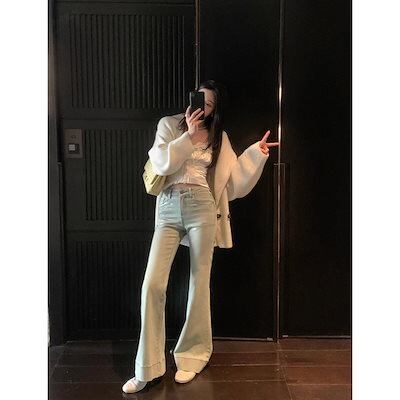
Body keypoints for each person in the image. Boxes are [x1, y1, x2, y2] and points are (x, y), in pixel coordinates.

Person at [122, 80, 279, 393]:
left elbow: (232, 181)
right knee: (152, 285)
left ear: (214, 109)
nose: (201, 107)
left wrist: (256, 154)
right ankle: (147, 367)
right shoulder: (169, 125)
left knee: (199, 282)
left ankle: (192, 356)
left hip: (202, 207)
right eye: (199, 99)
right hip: (168, 207)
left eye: (208, 104)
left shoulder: (219, 136)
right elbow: (163, 162)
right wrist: (188, 136)